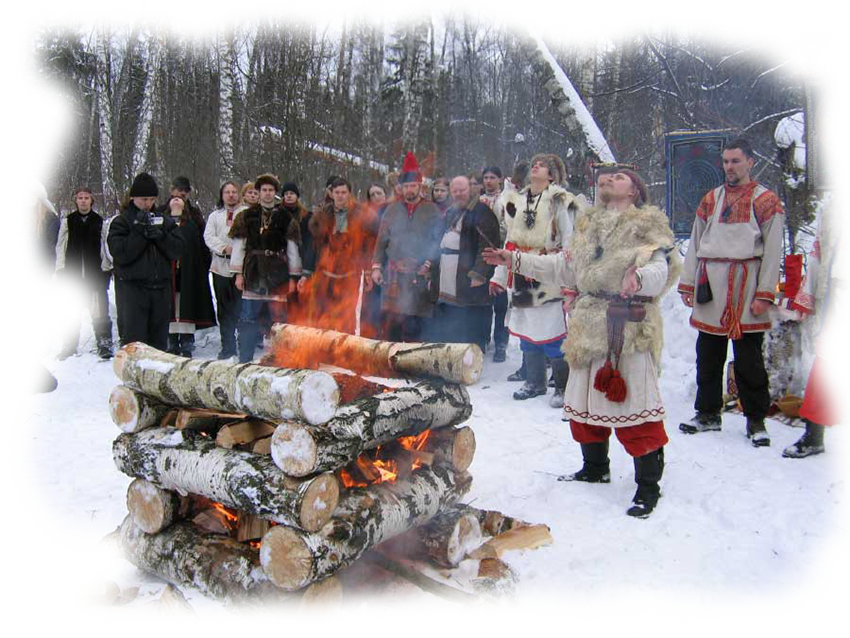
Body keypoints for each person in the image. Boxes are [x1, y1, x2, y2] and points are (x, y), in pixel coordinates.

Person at [484, 168, 680, 518]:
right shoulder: (589, 225)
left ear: (635, 190)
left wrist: (640, 279)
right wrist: (514, 259)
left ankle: (648, 487)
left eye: (619, 177)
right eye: (607, 176)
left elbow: (660, 268)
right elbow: (562, 266)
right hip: (589, 321)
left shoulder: (647, 225)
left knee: (634, 406)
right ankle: (594, 468)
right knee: (584, 402)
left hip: (628, 327)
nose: (610, 179)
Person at [677, 138, 784, 447]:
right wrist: (687, 283)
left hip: (746, 283)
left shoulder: (766, 201)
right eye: (725, 161)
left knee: (749, 358)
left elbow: (774, 249)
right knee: (707, 354)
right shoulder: (711, 199)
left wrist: (765, 292)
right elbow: (696, 243)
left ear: (750, 162)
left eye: (736, 161)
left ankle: (755, 420)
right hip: (711, 282)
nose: (729, 167)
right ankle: (708, 413)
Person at [489, 154, 582, 407]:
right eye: (534, 164)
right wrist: (499, 275)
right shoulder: (519, 200)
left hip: (549, 271)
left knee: (552, 329)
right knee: (527, 328)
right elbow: (510, 239)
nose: (535, 167)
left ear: (551, 175)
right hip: (520, 271)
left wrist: (568, 278)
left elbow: (569, 240)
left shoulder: (560, 200)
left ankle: (563, 386)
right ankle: (535, 381)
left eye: (542, 165)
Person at [783, 150, 850, 458]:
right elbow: (818, 255)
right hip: (837, 302)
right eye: (841, 175)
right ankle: (813, 435)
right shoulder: (831, 211)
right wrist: (807, 299)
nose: (844, 181)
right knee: (826, 370)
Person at [107, 173, 186, 351]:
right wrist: (139, 233)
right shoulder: (121, 222)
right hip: (133, 289)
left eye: (151, 199)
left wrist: (161, 237)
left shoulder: (163, 220)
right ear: (133, 197)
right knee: (135, 343)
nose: (148, 203)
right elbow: (121, 254)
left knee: (158, 343)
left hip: (161, 288)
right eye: (144, 199)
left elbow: (177, 249)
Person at [228, 173, 302, 363]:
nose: (267, 194)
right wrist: (238, 274)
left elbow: (292, 249)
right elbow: (239, 247)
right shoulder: (246, 216)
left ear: (275, 193)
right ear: (259, 192)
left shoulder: (285, 217)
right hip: (253, 272)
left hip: (277, 273)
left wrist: (294, 277)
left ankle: (281, 359)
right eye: (264, 190)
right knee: (248, 319)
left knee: (279, 321)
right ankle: (245, 359)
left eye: (271, 190)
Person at [371, 152, 442, 342]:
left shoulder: (432, 210)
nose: (410, 190)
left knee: (416, 326)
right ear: (401, 187)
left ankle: (414, 365)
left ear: (420, 186)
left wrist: (428, 264)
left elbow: (438, 242)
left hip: (419, 276)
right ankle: (391, 364)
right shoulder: (391, 210)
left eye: (413, 186)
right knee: (392, 324)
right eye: (406, 186)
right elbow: (382, 240)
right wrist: (376, 267)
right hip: (394, 276)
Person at [299, 177, 379, 335]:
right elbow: (313, 247)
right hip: (325, 274)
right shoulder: (321, 217)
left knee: (347, 317)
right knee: (322, 315)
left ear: (350, 193)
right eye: (337, 192)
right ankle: (322, 351)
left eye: (344, 192)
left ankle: (343, 354)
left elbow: (367, 248)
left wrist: (368, 271)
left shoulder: (361, 217)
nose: (340, 196)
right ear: (331, 193)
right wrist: (306, 274)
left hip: (350, 275)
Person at [431, 176, 500, 351]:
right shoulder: (452, 211)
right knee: (451, 313)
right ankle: (453, 351)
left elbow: (488, 244)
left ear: (470, 189)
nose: (458, 194)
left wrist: (479, 272)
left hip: (466, 272)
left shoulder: (482, 212)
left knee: (470, 316)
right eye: (455, 191)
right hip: (448, 271)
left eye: (462, 190)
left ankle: (472, 354)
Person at [54, 187, 114, 360]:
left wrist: (106, 271)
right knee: (71, 314)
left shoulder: (99, 222)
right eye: (80, 198)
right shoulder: (68, 221)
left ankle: (104, 343)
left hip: (94, 276)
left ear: (91, 200)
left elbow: (105, 247)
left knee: (100, 313)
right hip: (73, 277)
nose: (83, 201)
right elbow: (60, 247)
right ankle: (69, 345)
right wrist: (61, 269)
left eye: (86, 198)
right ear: (75, 200)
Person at [164, 188, 216, 357]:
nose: (177, 200)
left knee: (186, 304)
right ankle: (171, 339)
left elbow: (199, 250)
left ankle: (187, 339)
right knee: (170, 306)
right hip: (168, 275)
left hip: (187, 274)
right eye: (173, 198)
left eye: (180, 199)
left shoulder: (191, 226)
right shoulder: (163, 224)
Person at [16, 177, 60, 358]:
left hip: (45, 272)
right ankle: (30, 343)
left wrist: (55, 270)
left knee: (45, 309)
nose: (31, 198)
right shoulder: (18, 219)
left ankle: (45, 342)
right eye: (28, 195)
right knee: (27, 309)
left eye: (34, 195)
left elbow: (56, 246)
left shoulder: (50, 218)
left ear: (40, 197)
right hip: (25, 273)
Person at [204, 182, 243, 359]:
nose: (231, 195)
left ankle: (243, 344)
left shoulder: (245, 214)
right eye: (227, 192)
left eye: (234, 192)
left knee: (241, 308)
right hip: (220, 266)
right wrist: (223, 248)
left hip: (241, 268)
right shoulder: (215, 216)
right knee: (224, 308)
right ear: (222, 195)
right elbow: (208, 237)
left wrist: (238, 249)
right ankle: (227, 345)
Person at [479, 165, 509, 362]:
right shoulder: (479, 201)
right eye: (486, 177)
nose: (488, 181)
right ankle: (482, 339)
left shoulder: (507, 200)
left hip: (501, 255)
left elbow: (509, 225)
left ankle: (501, 343)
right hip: (481, 257)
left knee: (500, 303)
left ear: (500, 179)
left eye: (492, 177)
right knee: (482, 302)